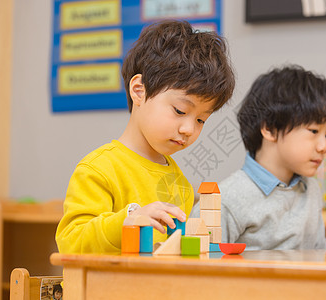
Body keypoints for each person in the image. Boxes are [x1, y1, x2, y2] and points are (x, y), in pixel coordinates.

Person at [56, 20, 235, 254]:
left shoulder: (179, 182)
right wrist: (128, 220)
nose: (189, 129)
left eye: (201, 120)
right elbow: (71, 243)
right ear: (139, 90)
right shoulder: (99, 170)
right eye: (180, 111)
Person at [192, 65, 326, 250]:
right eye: (314, 131)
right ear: (269, 128)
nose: (323, 146)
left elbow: (320, 257)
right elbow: (194, 266)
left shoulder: (311, 190)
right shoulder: (228, 199)